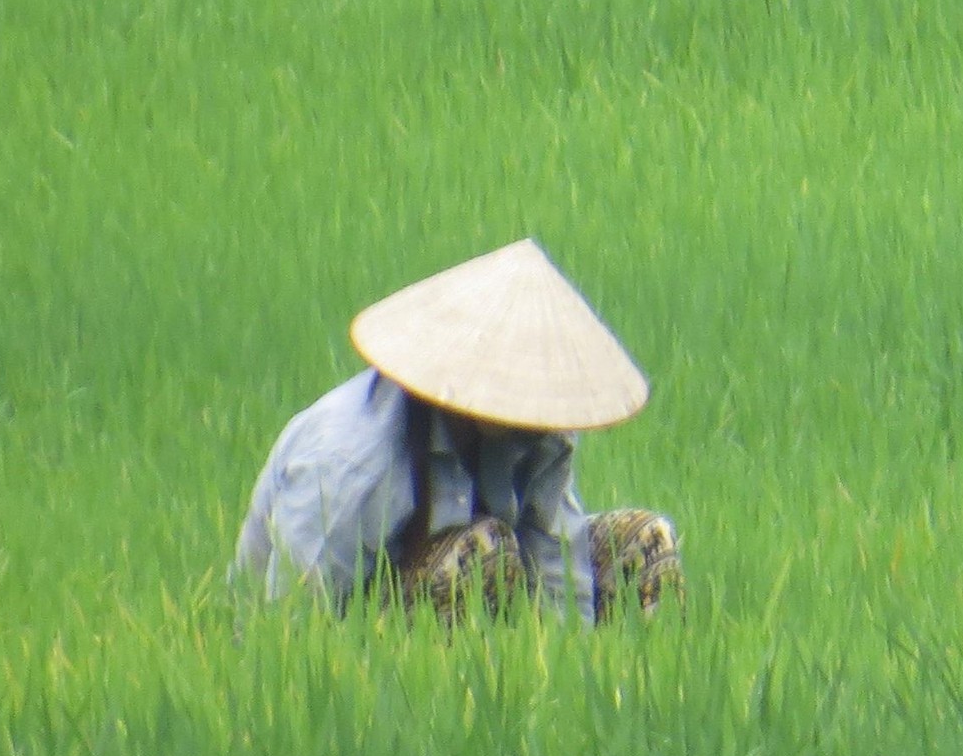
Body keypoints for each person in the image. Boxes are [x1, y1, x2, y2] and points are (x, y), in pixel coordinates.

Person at [232, 239, 681, 624]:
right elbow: (291, 621)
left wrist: (571, 670)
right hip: (360, 630)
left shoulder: (535, 433)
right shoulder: (349, 463)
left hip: (478, 602)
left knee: (645, 540)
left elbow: (556, 564)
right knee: (481, 551)